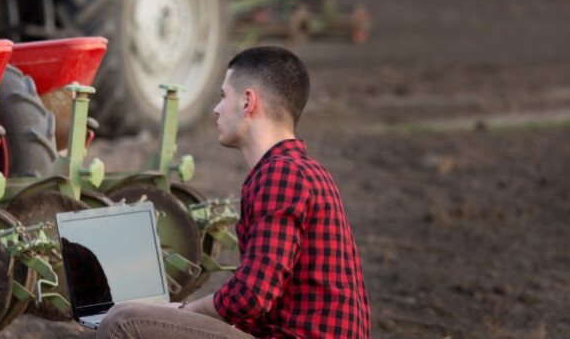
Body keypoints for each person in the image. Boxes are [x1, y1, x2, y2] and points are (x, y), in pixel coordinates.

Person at [98, 46, 370, 339]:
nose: (216, 109)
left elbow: (252, 295)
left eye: (223, 96)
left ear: (247, 102)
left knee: (123, 322)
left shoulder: (282, 174)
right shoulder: (302, 170)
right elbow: (261, 305)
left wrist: (183, 312)